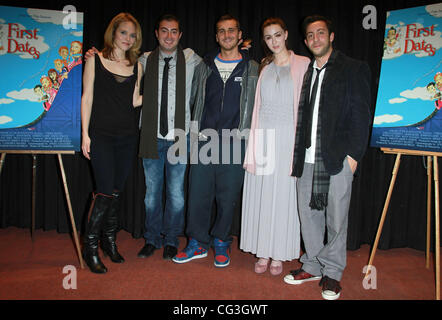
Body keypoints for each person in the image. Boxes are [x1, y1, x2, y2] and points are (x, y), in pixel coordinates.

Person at [283, 15, 371, 300]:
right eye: (310, 35)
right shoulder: (309, 71)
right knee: (307, 214)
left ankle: (332, 272)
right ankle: (311, 265)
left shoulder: (353, 68)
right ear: (306, 41)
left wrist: (353, 155)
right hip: (307, 156)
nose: (315, 39)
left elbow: (361, 116)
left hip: (337, 157)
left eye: (321, 33)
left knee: (336, 217)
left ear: (331, 36)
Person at [172, 14, 259, 268]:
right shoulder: (204, 65)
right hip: (204, 140)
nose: (227, 35)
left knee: (227, 196)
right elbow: (194, 101)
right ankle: (197, 242)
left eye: (232, 30)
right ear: (216, 35)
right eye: (221, 31)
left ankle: (221, 241)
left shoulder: (253, 68)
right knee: (198, 194)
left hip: (235, 141)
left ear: (240, 35)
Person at [241, 17, 309, 276]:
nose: (273, 41)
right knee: (262, 195)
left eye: (277, 35)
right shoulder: (264, 67)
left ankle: (278, 253)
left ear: (286, 34)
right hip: (264, 138)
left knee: (284, 197)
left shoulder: (303, 64)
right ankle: (262, 251)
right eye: (268, 37)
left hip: (289, 141)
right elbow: (257, 107)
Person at [136, 14, 202, 260]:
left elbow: (220, 63)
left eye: (174, 31)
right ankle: (152, 239)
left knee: (176, 194)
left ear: (180, 35)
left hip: (179, 137)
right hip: (151, 136)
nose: (169, 36)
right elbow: (116, 60)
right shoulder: (143, 60)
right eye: (164, 31)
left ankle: (172, 239)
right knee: (151, 193)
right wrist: (94, 55)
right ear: (156, 33)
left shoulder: (191, 59)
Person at [81, 12, 142, 274]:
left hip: (127, 137)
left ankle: (110, 243)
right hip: (101, 136)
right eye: (123, 32)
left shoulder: (137, 65)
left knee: (116, 192)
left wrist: (156, 97)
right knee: (104, 191)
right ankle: (90, 248)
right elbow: (87, 98)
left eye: (132, 34)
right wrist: (85, 135)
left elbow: (134, 101)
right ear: (113, 33)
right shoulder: (95, 59)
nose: (128, 38)